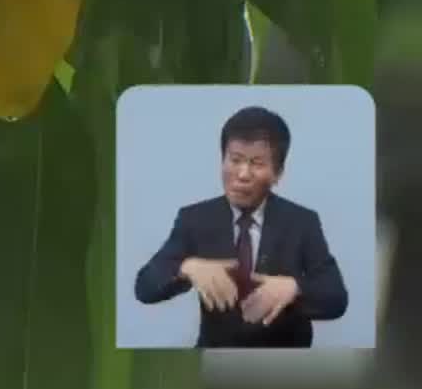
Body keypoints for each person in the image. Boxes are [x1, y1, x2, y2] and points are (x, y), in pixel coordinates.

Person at [133, 105, 349, 347]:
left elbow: (336, 298)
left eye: (256, 163)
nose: (243, 174)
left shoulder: (302, 222)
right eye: (234, 160)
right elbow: (144, 288)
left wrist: (294, 288)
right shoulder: (194, 218)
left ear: (278, 173)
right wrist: (187, 267)